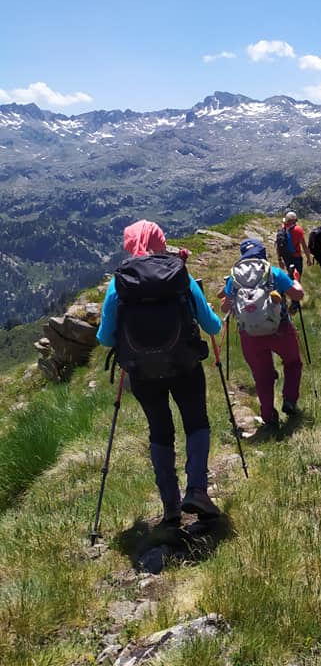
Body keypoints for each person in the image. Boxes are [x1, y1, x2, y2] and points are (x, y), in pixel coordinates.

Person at [96, 220, 223, 523]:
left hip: (142, 372)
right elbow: (211, 325)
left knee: (160, 430)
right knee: (196, 422)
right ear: (160, 240)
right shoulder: (178, 273)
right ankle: (197, 490)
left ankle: (170, 505)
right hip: (185, 365)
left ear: (129, 243)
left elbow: (104, 338)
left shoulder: (120, 282)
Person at [219, 238, 305, 432]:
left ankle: (268, 417)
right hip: (280, 328)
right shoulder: (273, 272)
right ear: (263, 254)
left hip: (249, 334)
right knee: (292, 362)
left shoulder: (235, 277)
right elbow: (297, 295)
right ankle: (289, 399)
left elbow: (224, 306)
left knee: (262, 375)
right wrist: (296, 281)